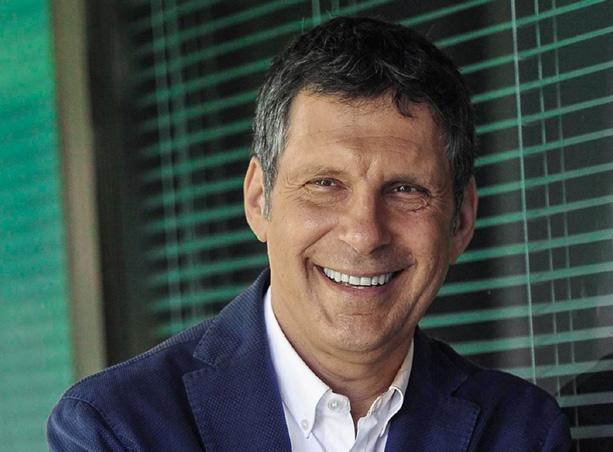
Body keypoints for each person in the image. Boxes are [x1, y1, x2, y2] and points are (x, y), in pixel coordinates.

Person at [48, 16, 572, 451]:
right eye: (325, 184)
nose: (364, 234)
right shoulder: (117, 428)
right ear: (259, 200)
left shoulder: (522, 433)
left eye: (405, 189)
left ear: (461, 220)